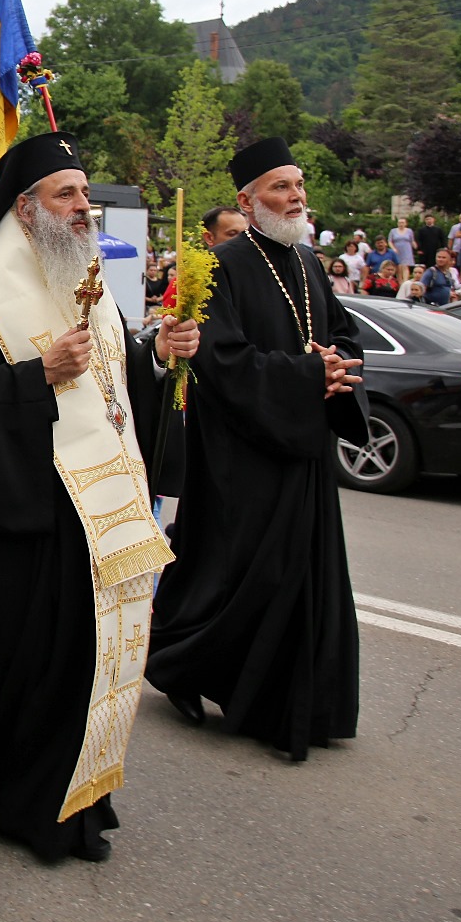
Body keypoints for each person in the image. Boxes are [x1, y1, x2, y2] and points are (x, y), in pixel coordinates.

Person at [0, 132, 200, 864]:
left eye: (85, 193)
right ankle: (2, 783)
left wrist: (159, 359)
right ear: (26, 209)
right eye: (66, 193)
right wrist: (35, 377)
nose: (83, 207)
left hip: (97, 509)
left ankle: (70, 792)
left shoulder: (86, 277)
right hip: (25, 514)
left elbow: (117, 380)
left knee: (82, 659)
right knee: (13, 658)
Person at [146, 136, 368, 762]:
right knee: (238, 579)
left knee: (300, 579)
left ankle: (291, 703)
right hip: (241, 458)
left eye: (298, 186)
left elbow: (344, 335)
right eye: (280, 187)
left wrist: (337, 366)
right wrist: (306, 376)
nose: (295, 197)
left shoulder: (310, 264)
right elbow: (222, 360)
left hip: (304, 452)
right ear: (249, 200)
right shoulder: (223, 266)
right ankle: (178, 664)